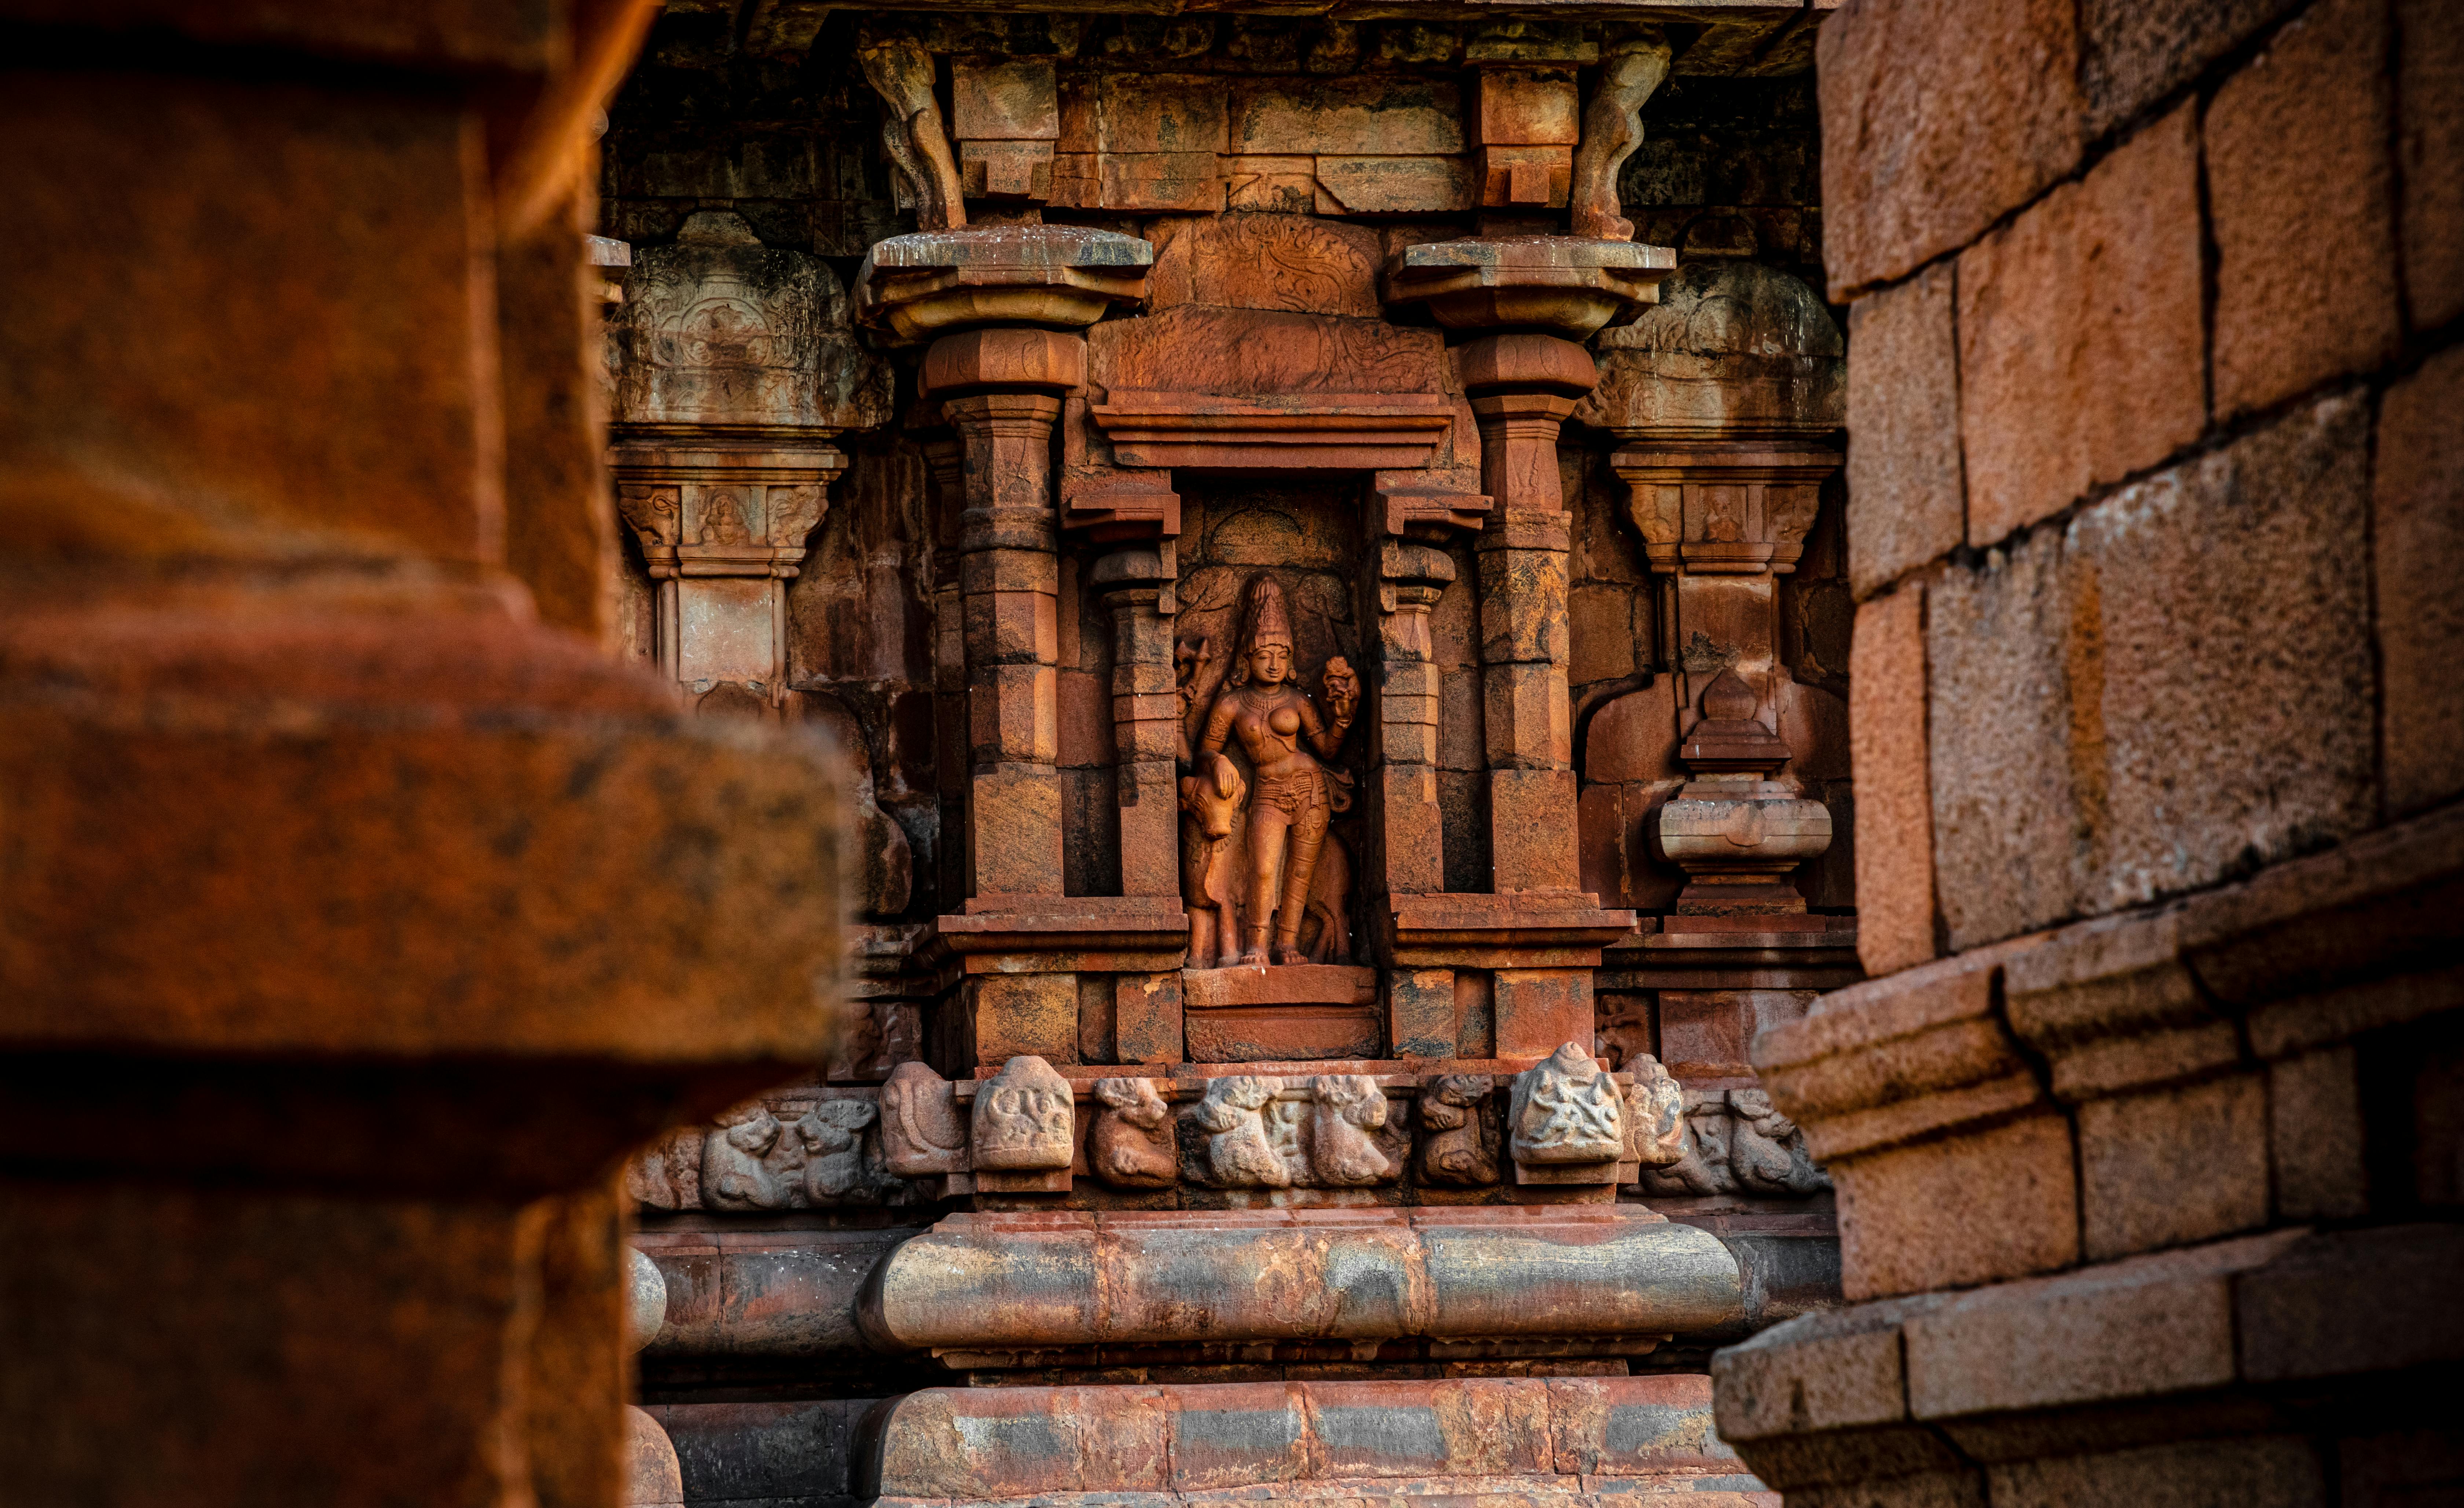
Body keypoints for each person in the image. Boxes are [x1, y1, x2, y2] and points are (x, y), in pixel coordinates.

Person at [1197, 574, 1357, 965]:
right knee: (1263, 870)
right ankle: (1257, 946)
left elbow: (1327, 749)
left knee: (1300, 874)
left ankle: (1287, 945)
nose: (1273, 663)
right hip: (1268, 789)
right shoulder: (1232, 704)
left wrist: (1342, 718)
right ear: (1246, 658)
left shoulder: (1297, 700)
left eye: (1282, 656)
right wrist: (1218, 761)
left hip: (1310, 788)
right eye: (1264, 655)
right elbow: (1204, 749)